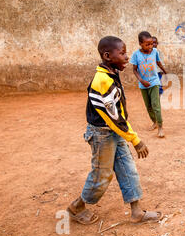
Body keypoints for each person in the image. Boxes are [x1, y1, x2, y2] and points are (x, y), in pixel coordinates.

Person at [67, 36, 162, 225]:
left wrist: (128, 136)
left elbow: (118, 117)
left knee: (128, 168)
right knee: (101, 175)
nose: (127, 57)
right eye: (123, 53)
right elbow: (115, 118)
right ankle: (76, 207)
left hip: (113, 131)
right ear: (108, 56)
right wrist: (135, 140)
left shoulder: (110, 72)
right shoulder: (103, 80)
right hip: (101, 134)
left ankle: (136, 212)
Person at [131, 31, 167, 138]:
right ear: (140, 44)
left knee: (156, 105)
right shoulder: (136, 55)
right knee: (148, 106)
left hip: (155, 81)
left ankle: (160, 126)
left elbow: (158, 62)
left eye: (151, 44)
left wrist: (164, 70)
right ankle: (154, 122)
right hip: (143, 85)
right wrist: (141, 80)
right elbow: (134, 70)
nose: (150, 46)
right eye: (147, 44)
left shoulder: (154, 51)